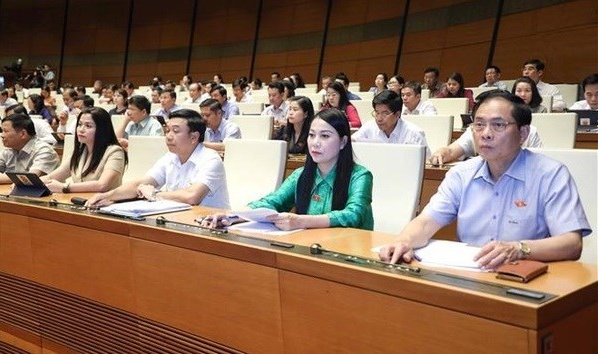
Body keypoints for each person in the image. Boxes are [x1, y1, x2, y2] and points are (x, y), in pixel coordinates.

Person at [381, 90, 590, 268]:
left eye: (498, 125)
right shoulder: (461, 174)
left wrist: (519, 249)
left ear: (523, 133)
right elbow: (426, 222)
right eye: (479, 125)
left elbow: (572, 243)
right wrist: (404, 240)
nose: (486, 134)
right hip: (471, 275)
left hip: (525, 279)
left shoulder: (551, 175)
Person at [203, 108, 373, 231]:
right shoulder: (300, 175)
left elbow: (353, 215)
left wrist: (301, 221)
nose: (315, 142)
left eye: (325, 136)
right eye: (312, 135)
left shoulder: (359, 176)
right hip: (312, 247)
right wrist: (231, 216)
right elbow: (272, 202)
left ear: (343, 142)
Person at [87, 109, 230, 209]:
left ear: (194, 137)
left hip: (211, 224)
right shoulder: (170, 157)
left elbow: (192, 196)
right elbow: (141, 184)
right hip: (179, 218)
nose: (168, 136)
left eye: (175, 131)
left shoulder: (211, 159)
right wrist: (108, 196)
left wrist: (155, 194)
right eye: (167, 130)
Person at [41, 107, 127, 193]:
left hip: (105, 204)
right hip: (79, 201)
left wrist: (65, 187)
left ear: (102, 129)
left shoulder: (115, 152)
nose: (81, 130)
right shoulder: (80, 151)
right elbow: (52, 177)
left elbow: (102, 185)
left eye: (88, 126)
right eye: (79, 124)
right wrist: (30, 182)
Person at [352, 90, 430, 157]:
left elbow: (426, 162)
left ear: (397, 114)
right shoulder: (369, 127)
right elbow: (352, 142)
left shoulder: (414, 133)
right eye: (377, 112)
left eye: (385, 113)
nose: (379, 118)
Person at [0, 113, 59, 184]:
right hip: (12, 192)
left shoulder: (44, 150)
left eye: (5, 131)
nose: (2, 135)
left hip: (44, 194)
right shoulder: (9, 149)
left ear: (23, 134)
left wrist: (1, 178)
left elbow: (30, 179)